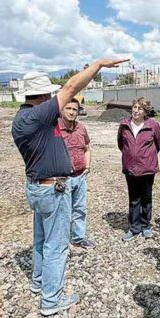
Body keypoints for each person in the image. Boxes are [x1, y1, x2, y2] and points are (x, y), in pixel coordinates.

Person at [12, 58, 126, 316]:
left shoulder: (21, 118)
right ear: (42, 96)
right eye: (50, 94)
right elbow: (71, 88)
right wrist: (98, 65)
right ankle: (51, 300)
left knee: (41, 239)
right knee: (56, 245)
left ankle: (39, 282)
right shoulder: (38, 115)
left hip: (37, 187)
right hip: (52, 190)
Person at [117, 97, 160, 241]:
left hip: (147, 169)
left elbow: (158, 144)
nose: (136, 110)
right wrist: (131, 157)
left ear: (145, 112)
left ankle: (146, 226)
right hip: (130, 168)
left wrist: (146, 158)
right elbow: (120, 144)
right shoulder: (124, 125)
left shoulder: (153, 125)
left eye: (140, 108)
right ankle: (134, 228)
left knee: (146, 198)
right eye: (135, 107)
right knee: (134, 198)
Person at [59, 98, 97, 250]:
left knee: (80, 209)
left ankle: (78, 239)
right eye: (68, 108)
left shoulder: (81, 128)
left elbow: (87, 148)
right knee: (63, 212)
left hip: (80, 176)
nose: (71, 112)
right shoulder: (54, 129)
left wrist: (87, 167)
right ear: (61, 110)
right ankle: (61, 242)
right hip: (63, 178)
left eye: (74, 109)